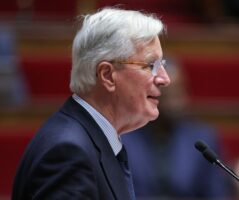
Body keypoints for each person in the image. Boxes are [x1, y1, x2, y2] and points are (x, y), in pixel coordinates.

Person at [12, 7, 170, 200]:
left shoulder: (92, 139)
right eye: (150, 65)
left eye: (162, 64)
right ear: (107, 75)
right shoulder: (69, 153)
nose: (165, 79)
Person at [121, 57, 233, 199]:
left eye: (180, 92)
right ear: (150, 93)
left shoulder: (203, 140)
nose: (177, 102)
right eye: (169, 94)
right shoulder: (124, 136)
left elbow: (216, 194)